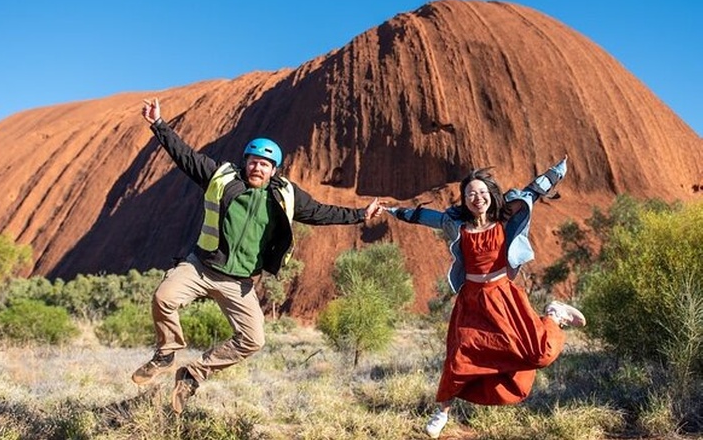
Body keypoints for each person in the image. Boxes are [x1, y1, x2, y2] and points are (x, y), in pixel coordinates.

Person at [133, 98, 381, 414]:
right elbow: (185, 156)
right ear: (245, 161)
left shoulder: (285, 195)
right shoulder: (221, 177)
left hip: (238, 283)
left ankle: (193, 374)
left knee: (253, 339)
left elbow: (321, 212)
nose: (257, 167)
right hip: (202, 266)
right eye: (252, 160)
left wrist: (361, 214)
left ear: (274, 169)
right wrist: (158, 125)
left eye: (264, 163)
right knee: (163, 297)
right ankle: (167, 352)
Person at [383, 157, 585, 438]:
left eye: (481, 192)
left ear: (491, 194)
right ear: (464, 200)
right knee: (458, 357)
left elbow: (532, 192)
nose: (476, 197)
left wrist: (556, 172)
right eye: (470, 194)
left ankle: (554, 315)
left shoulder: (504, 219)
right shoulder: (457, 225)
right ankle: (442, 411)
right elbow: (423, 217)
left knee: (539, 354)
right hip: (472, 300)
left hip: (503, 296)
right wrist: (393, 211)